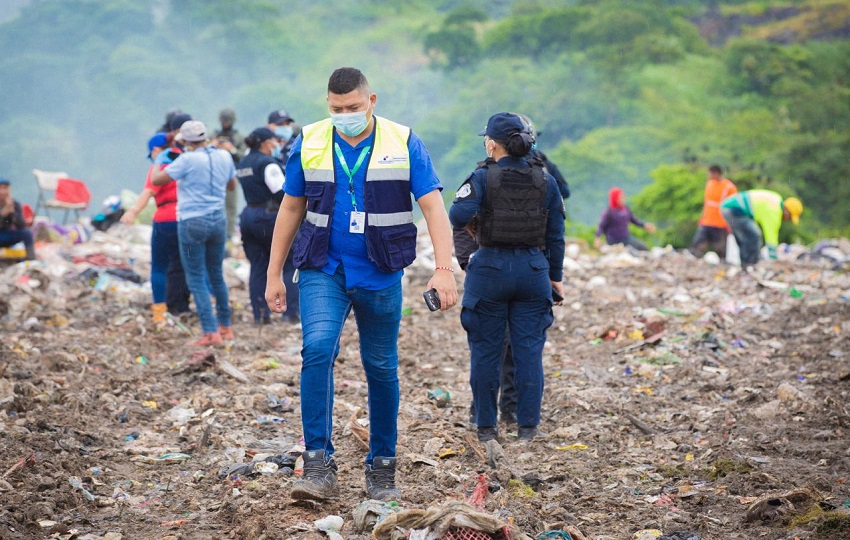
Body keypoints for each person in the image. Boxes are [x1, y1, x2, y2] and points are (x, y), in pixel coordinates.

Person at [264, 67, 457, 502]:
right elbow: (292, 207)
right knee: (317, 350)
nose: (345, 115)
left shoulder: (403, 142)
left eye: (353, 108)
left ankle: (382, 466)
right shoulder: (310, 140)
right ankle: (318, 464)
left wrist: (444, 268)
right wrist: (274, 272)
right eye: (336, 109)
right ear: (326, 105)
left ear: (372, 101)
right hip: (322, 268)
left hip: (380, 272)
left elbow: (433, 207)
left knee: (382, 366)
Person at [450, 112, 565, 443]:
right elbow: (556, 235)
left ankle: (486, 427)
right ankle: (528, 428)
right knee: (529, 351)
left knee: (486, 351)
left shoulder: (482, 177)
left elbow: (456, 215)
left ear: (492, 144)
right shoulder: (547, 181)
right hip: (533, 270)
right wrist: (554, 278)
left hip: (489, 271)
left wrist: (476, 220)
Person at [152, 121, 237, 347]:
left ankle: (210, 332)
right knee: (216, 274)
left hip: (192, 222)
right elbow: (231, 186)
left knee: (196, 277)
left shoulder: (186, 160)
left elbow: (156, 180)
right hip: (218, 219)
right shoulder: (224, 156)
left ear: (185, 140)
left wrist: (161, 158)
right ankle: (226, 327)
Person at [121, 133, 191, 323]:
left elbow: (148, 191)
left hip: (165, 219)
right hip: (187, 218)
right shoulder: (188, 159)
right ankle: (182, 307)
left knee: (159, 267)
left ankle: (159, 313)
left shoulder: (160, 165)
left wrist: (132, 212)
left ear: (155, 150)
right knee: (183, 265)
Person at [235, 127, 298, 324]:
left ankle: (261, 315)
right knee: (289, 263)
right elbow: (282, 193)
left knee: (258, 266)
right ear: (264, 143)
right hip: (268, 216)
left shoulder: (243, 163)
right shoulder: (268, 164)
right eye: (273, 141)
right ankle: (291, 313)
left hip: (248, 216)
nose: (276, 145)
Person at [720, 189, 803, 266]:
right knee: (754, 236)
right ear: (787, 211)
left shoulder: (776, 200)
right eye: (790, 217)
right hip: (735, 209)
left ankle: (745, 264)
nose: (788, 220)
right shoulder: (774, 212)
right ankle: (751, 264)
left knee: (744, 239)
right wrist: (773, 260)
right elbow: (771, 239)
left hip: (729, 207)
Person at [213, 108, 247, 242]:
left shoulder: (238, 137)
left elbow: (243, 155)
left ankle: (229, 233)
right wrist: (214, 145)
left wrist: (231, 149)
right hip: (214, 174)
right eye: (223, 120)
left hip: (231, 174)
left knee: (230, 205)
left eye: (227, 120)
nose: (225, 122)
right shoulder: (214, 135)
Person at [690, 164, 737, 259]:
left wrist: (731, 224)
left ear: (716, 173)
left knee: (720, 247)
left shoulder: (729, 187)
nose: (709, 176)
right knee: (698, 244)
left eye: (710, 173)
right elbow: (706, 203)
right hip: (707, 221)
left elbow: (733, 208)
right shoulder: (709, 184)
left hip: (721, 223)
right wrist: (702, 217)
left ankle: (721, 263)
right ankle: (695, 259)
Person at [0, 178, 36, 260]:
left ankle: (32, 260)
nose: (2, 192)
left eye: (5, 188)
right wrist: (2, 215)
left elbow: (21, 225)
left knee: (26, 233)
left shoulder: (14, 204)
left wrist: (12, 213)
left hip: (6, 235)